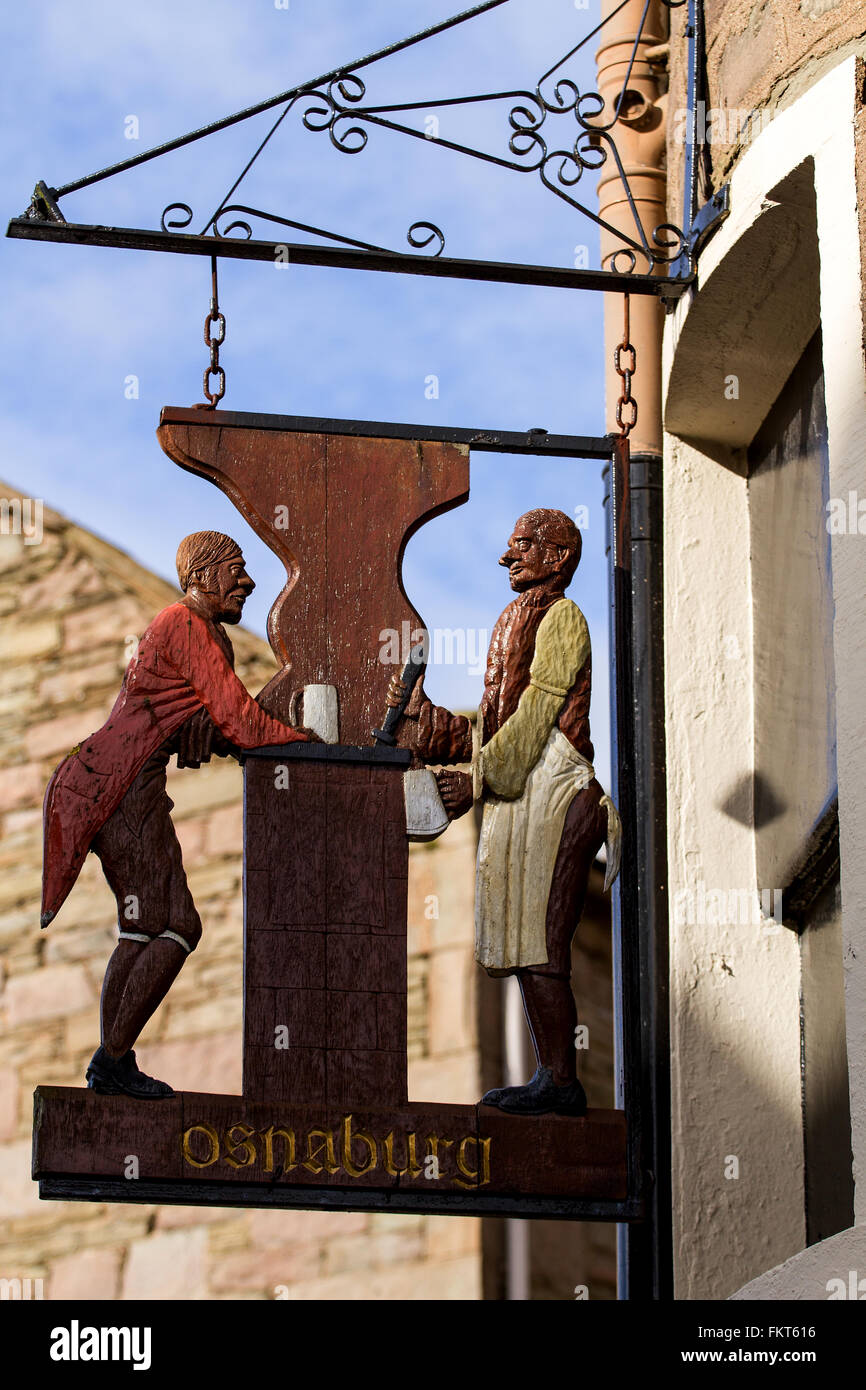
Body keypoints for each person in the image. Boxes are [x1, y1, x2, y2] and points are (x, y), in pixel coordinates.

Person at [41, 530, 317, 1098]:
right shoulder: (185, 624)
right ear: (201, 576)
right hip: (119, 787)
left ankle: (109, 1063)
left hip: (114, 784)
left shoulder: (204, 633)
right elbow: (242, 721)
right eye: (234, 569)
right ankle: (111, 1062)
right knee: (175, 925)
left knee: (144, 925)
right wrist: (304, 743)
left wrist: (205, 728)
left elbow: (208, 716)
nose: (248, 581)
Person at [388, 508, 620, 1116]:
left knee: (542, 942)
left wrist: (477, 779)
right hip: (526, 795)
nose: (506, 557)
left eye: (521, 546)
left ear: (558, 556)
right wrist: (431, 725)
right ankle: (554, 1076)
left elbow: (538, 720)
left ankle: (561, 1082)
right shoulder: (514, 616)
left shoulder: (563, 617)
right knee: (522, 943)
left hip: (560, 795)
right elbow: (497, 729)